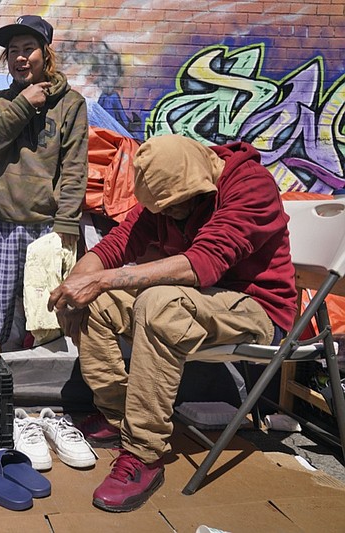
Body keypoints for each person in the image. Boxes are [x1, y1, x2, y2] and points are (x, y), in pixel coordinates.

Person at [48, 134, 297, 512]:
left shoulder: (249, 185)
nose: (164, 216)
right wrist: (76, 284)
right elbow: (117, 244)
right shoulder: (169, 194)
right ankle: (120, 417)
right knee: (96, 303)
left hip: (256, 307)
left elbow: (204, 262)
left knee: (159, 303)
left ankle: (144, 453)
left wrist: (103, 279)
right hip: (197, 302)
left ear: (198, 188)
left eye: (172, 209)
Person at [0, 15, 88, 346]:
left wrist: (67, 226)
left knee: (49, 316)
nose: (21, 58)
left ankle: (44, 388)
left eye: (29, 49)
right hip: (2, 225)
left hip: (50, 228)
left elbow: (74, 167)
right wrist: (24, 104)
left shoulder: (71, 104)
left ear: (45, 54)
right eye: (13, 51)